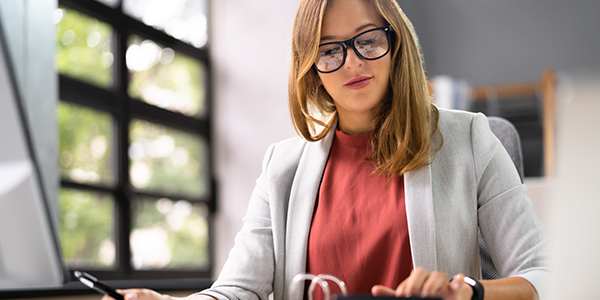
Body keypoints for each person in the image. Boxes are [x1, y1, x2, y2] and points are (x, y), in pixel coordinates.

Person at [103, 0, 548, 300]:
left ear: (395, 44)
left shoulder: (471, 138)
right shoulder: (283, 166)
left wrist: (467, 290)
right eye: (328, 50)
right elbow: (238, 291)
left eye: (367, 39)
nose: (351, 61)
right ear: (312, 68)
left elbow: (538, 274)